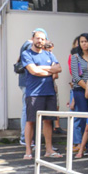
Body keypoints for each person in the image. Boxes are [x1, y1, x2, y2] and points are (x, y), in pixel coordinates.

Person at [21, 29, 62, 160]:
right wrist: (49, 70)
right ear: (32, 39)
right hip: (34, 93)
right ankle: (28, 150)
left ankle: (49, 150)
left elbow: (59, 68)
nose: (40, 41)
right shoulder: (26, 54)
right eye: (38, 38)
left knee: (48, 121)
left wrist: (41, 68)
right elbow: (33, 71)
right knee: (30, 121)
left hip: (49, 92)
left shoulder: (49, 54)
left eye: (43, 39)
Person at [70, 32, 88, 158]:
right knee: (84, 117)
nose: (84, 43)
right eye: (81, 41)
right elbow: (75, 76)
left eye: (86, 41)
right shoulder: (75, 57)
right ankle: (82, 145)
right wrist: (87, 89)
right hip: (80, 90)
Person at [16, 37, 33, 145]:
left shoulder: (25, 45)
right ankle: (24, 137)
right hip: (28, 82)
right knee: (27, 109)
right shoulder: (29, 45)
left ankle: (25, 137)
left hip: (24, 82)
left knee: (26, 108)